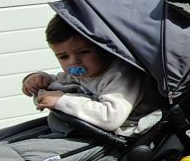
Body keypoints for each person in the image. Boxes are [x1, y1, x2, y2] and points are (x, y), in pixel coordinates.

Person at [21, 16, 151, 134]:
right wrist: (40, 79)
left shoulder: (122, 75)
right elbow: (62, 82)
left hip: (126, 132)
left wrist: (61, 101)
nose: (73, 61)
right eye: (63, 56)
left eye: (84, 52)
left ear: (105, 48)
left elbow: (110, 117)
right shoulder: (80, 73)